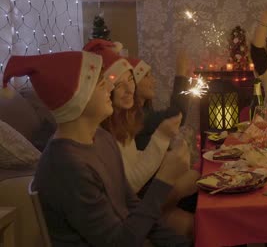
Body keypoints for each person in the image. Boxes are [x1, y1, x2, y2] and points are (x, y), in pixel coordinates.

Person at [2, 51, 190, 246]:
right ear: (77, 100)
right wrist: (163, 181)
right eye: (101, 84)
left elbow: (131, 205)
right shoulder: (66, 165)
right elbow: (119, 242)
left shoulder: (101, 138)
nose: (110, 87)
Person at [84, 39, 198, 237]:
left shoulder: (124, 120)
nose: (131, 89)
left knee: (198, 185)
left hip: (140, 204)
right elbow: (130, 191)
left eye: (130, 81)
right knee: (194, 184)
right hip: (137, 210)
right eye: (118, 84)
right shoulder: (110, 131)